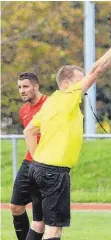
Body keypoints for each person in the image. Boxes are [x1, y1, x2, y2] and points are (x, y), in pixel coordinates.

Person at [23, 27, 111, 240]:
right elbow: (97, 70)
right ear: (68, 82)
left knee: (38, 224)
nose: (85, 83)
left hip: (38, 170)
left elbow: (29, 131)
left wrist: (37, 161)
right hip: (54, 172)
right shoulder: (69, 95)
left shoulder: (51, 101)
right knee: (54, 229)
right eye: (81, 79)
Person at [11, 72, 48, 240]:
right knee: (15, 207)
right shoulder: (23, 110)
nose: (22, 91)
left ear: (36, 86)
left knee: (41, 218)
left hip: (47, 164)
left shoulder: (50, 105)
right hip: (29, 162)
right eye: (19, 87)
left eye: (25, 86)